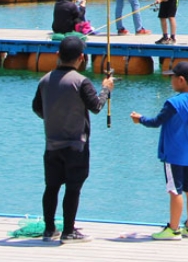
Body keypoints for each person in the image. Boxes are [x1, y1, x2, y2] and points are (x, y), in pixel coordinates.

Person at [32, 36, 113, 244]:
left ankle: (49, 229)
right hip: (77, 145)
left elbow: (37, 108)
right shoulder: (81, 81)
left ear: (58, 55)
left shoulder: (45, 79)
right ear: (81, 58)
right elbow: (96, 106)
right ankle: (68, 231)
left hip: (52, 144)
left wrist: (52, 116)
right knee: (73, 187)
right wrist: (106, 88)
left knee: (51, 187)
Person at [130, 61, 188, 241]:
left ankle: (173, 229)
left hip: (173, 154)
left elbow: (156, 121)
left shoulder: (173, 103)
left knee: (174, 190)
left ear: (181, 80)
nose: (170, 81)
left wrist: (140, 119)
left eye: (172, 77)